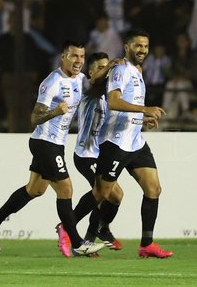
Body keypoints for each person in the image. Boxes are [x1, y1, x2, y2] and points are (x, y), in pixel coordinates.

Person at [0, 40, 105, 257]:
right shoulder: (52, 83)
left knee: (35, 190)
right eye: (74, 56)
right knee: (66, 189)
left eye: (82, 57)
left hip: (55, 143)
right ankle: (77, 242)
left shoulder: (80, 79)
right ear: (63, 57)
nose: (78, 61)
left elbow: (98, 84)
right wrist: (56, 112)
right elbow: (35, 117)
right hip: (45, 142)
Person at [94, 29, 173, 258]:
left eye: (146, 46)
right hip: (116, 141)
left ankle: (146, 244)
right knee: (104, 193)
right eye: (138, 46)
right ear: (127, 47)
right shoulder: (120, 70)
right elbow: (114, 102)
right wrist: (144, 109)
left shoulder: (138, 71)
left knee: (153, 189)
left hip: (135, 141)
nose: (143, 50)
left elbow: (129, 106)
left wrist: (143, 118)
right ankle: (72, 229)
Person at [60, 52, 126, 252]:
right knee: (103, 194)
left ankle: (93, 234)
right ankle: (67, 228)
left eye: (106, 67)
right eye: (99, 67)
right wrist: (111, 66)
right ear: (90, 72)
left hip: (101, 154)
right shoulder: (87, 87)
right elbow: (94, 81)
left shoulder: (110, 95)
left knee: (115, 196)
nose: (104, 71)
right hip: (85, 154)